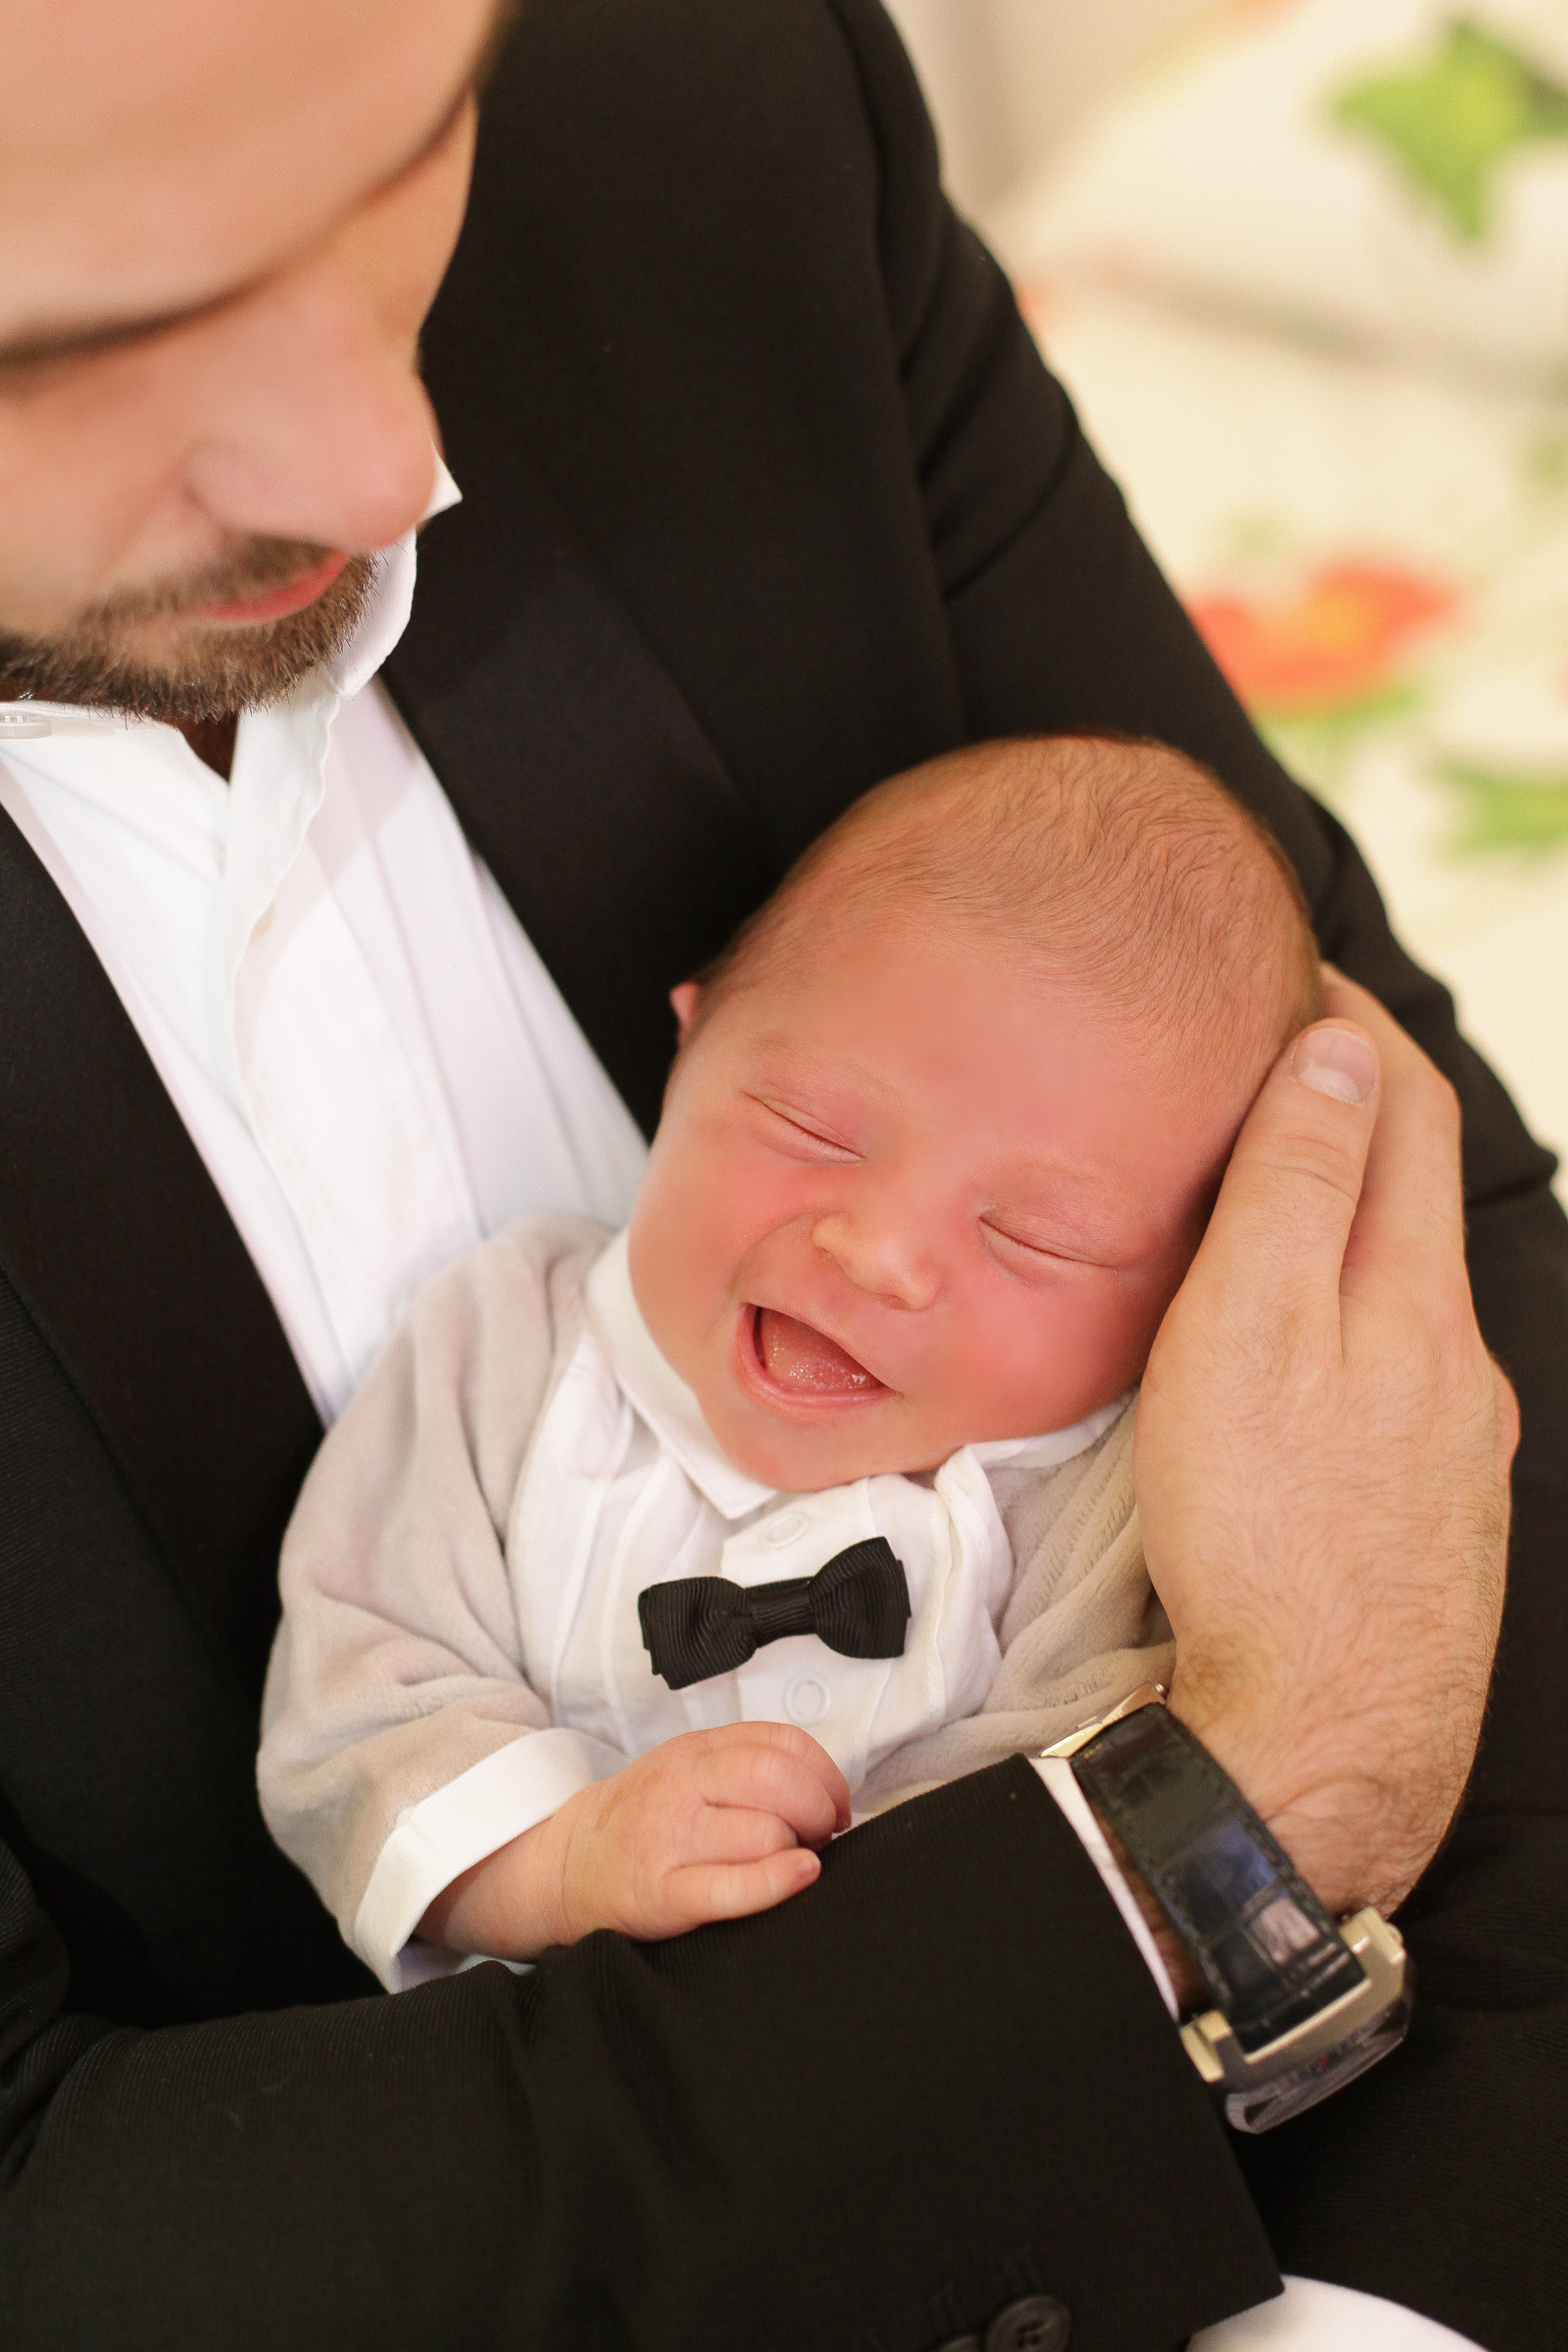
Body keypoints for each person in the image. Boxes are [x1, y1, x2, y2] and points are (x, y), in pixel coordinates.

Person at [0, 4, 1548, 2349]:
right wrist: (1225, 1832)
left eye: (398, 166)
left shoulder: (692, 108)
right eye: (90, 336)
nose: (385, 454)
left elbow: (1433, 1349)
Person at [258, 732, 1322, 1987]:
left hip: (939, 2075)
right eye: (813, 1127)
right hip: (541, 2101)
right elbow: (365, 1679)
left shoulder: (1117, 1497)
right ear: (691, 1042)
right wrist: (560, 1855)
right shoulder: (501, 1347)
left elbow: (1094, 1798)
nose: (877, 1254)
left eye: (1038, 1238)